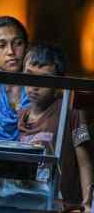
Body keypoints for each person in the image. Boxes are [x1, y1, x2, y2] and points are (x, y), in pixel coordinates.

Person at [17, 44, 93, 212]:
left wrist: (87, 204)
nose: (34, 86)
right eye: (29, 76)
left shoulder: (72, 113)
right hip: (31, 203)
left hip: (65, 206)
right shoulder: (21, 115)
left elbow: (84, 162)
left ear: (59, 83)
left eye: (44, 79)